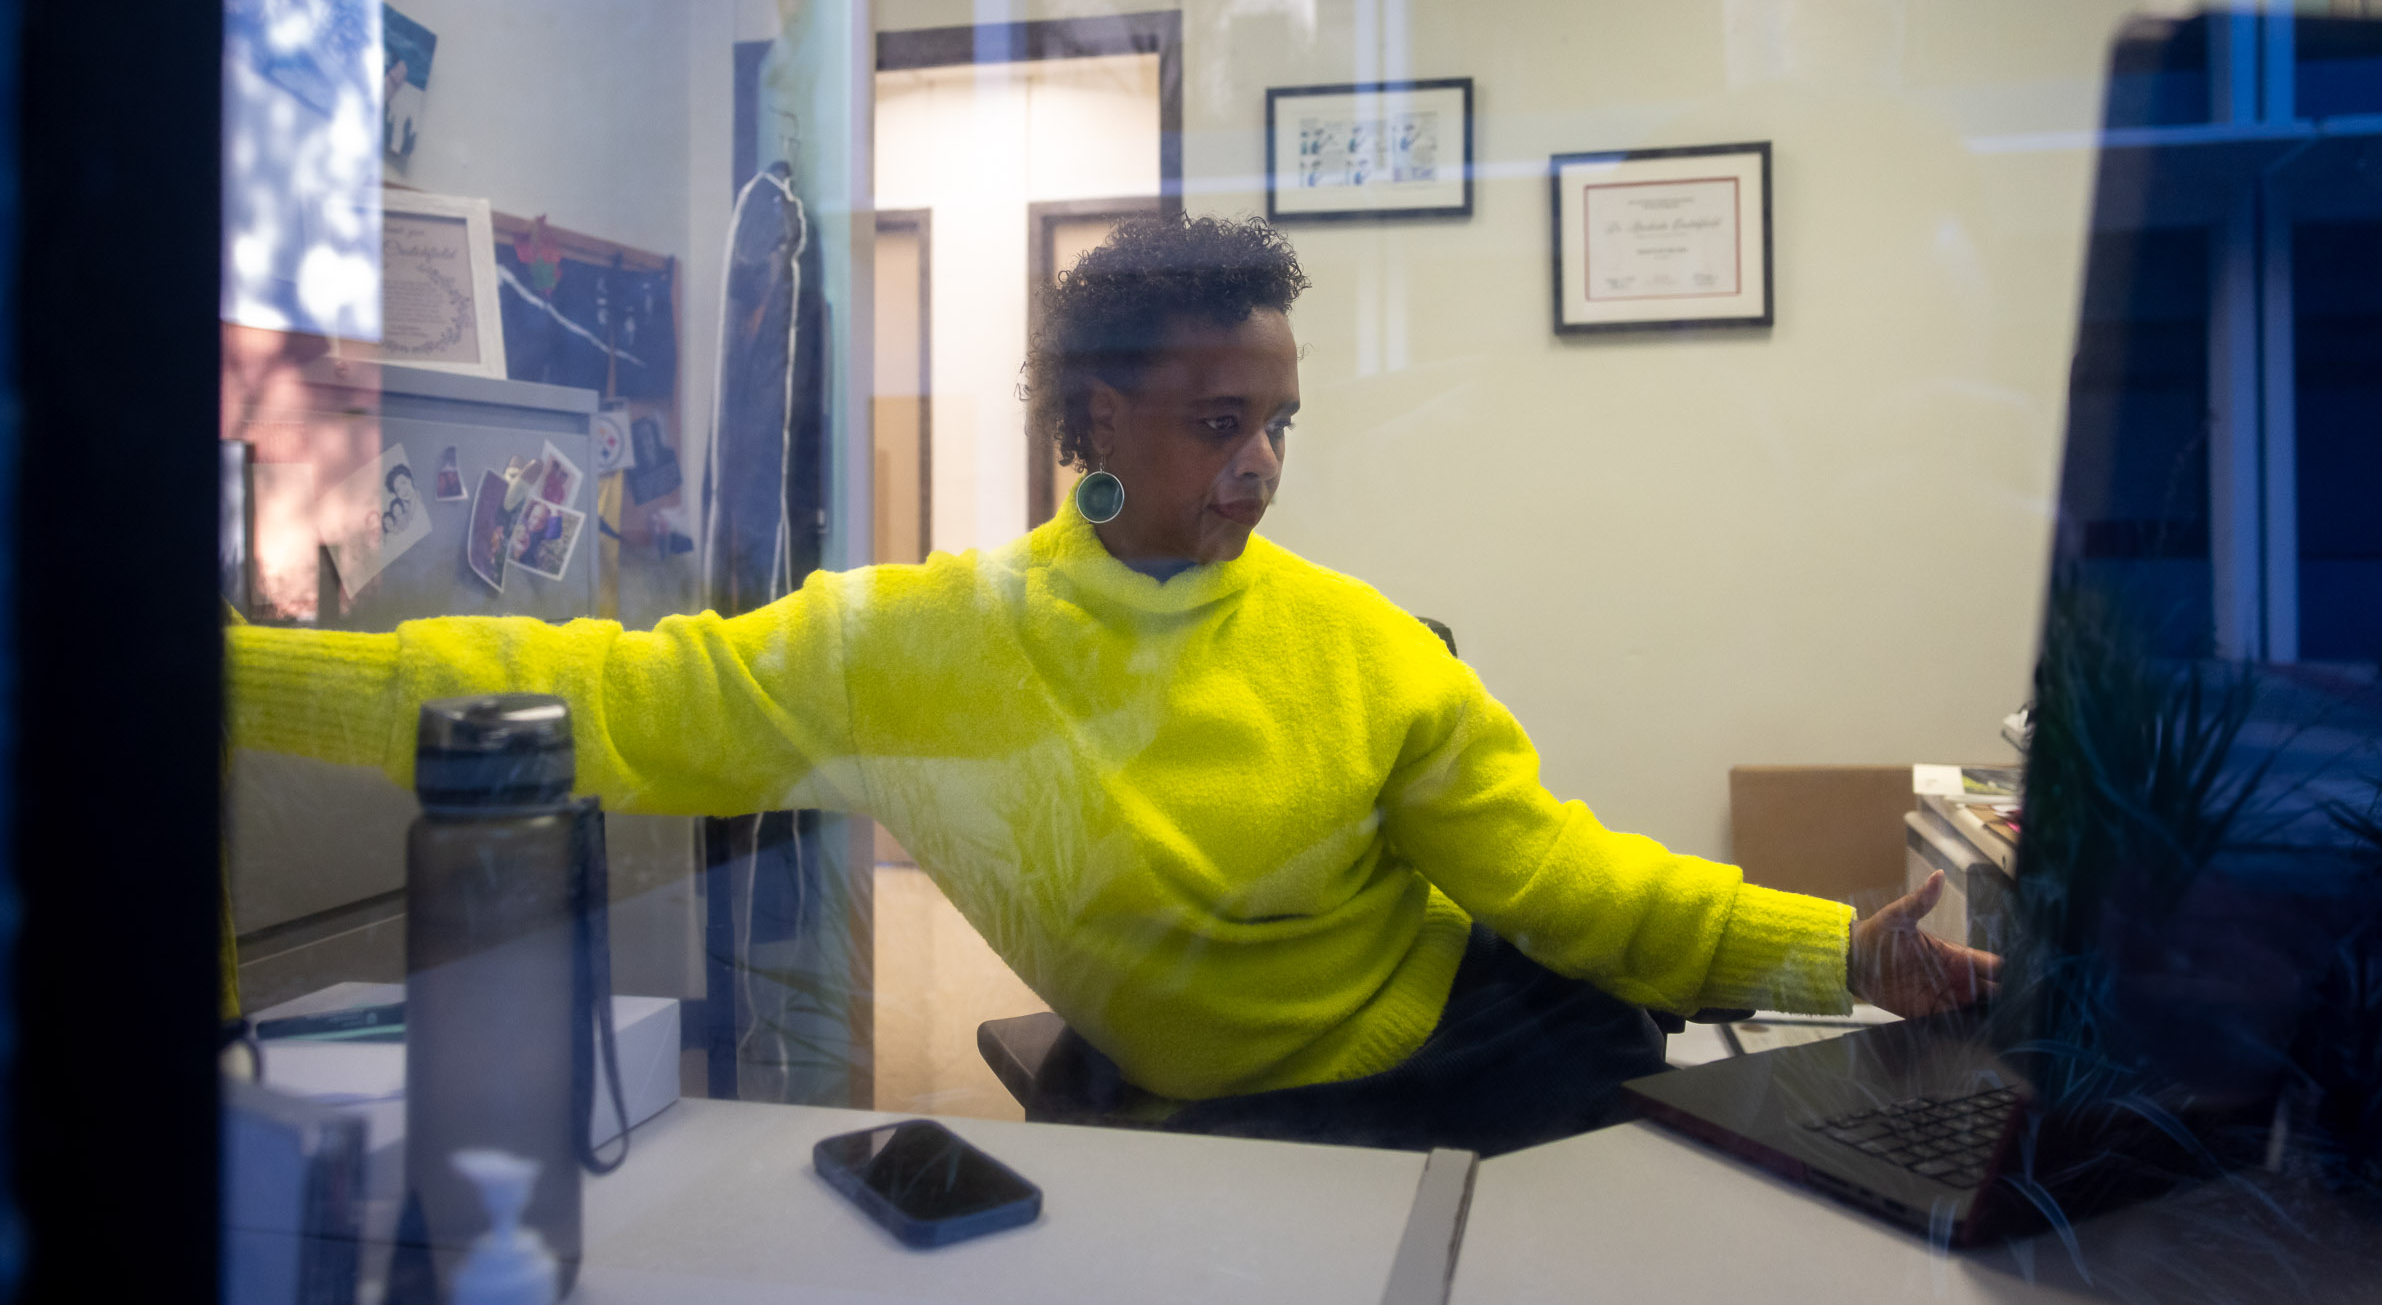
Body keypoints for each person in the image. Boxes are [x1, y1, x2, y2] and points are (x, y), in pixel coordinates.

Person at [226, 214, 1994, 1154]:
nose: (1260, 471)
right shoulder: (917, 647)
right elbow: (591, 694)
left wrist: (1844, 951)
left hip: (1464, 1066)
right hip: (1208, 1120)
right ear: (1090, 425)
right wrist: (216, 673)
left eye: (1281, 424)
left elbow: (1569, 883)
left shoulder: (1360, 648)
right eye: (1220, 425)